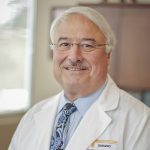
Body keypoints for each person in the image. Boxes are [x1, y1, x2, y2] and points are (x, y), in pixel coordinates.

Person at [9, 6, 150, 150]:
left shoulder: (140, 120)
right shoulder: (33, 115)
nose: (74, 56)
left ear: (108, 55)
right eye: (65, 44)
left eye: (87, 45)